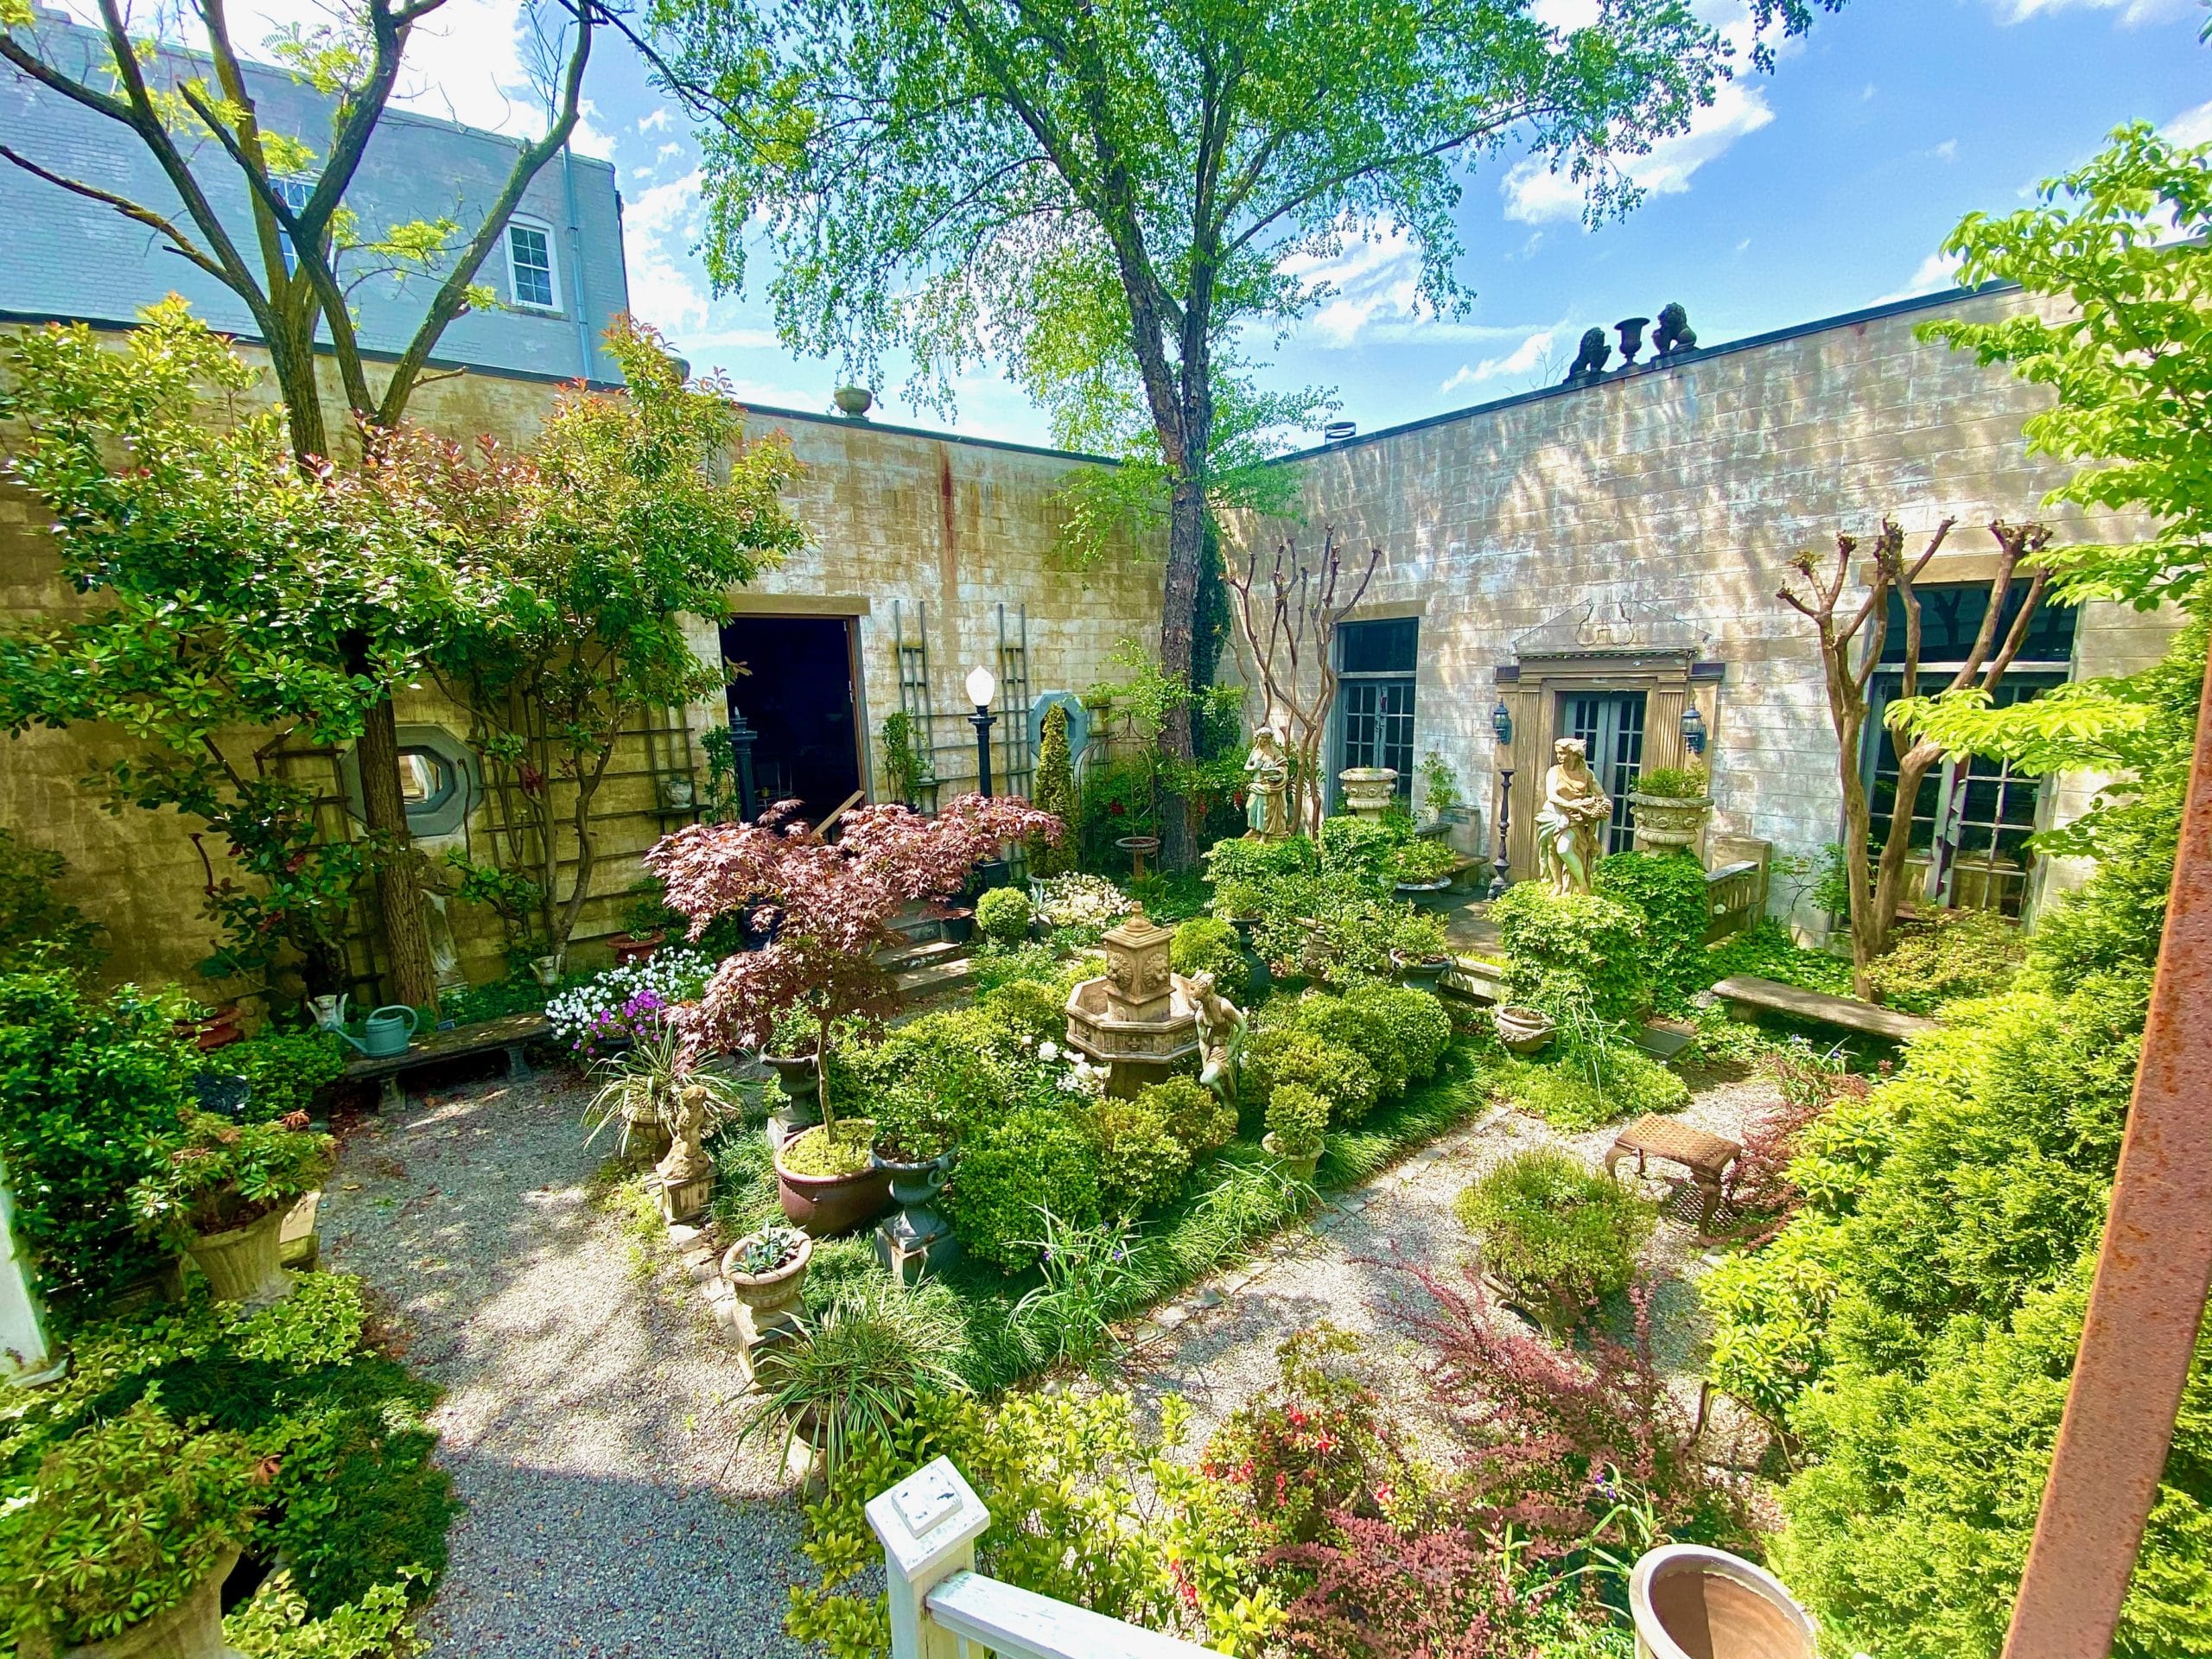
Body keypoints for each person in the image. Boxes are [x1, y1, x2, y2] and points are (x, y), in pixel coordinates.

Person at [1535, 736, 1611, 894]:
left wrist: (1600, 805)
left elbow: (1601, 795)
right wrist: (1573, 805)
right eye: (1558, 753)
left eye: (1563, 753)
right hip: (1554, 814)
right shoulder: (1554, 772)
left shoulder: (1587, 774)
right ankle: (1558, 884)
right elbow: (1552, 796)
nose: (1560, 757)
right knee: (1551, 849)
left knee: (1563, 849)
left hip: (1575, 817)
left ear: (1574, 754)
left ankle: (1582, 883)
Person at [1243, 720, 1291, 838]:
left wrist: (1278, 773)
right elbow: (1246, 767)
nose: (1265, 741)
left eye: (1267, 738)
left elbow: (1283, 765)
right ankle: (1254, 829)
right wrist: (1255, 767)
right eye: (1262, 738)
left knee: (1266, 810)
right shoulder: (1255, 751)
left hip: (1269, 785)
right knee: (1251, 806)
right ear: (1258, 738)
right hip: (1256, 784)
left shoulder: (1274, 751)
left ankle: (1265, 835)